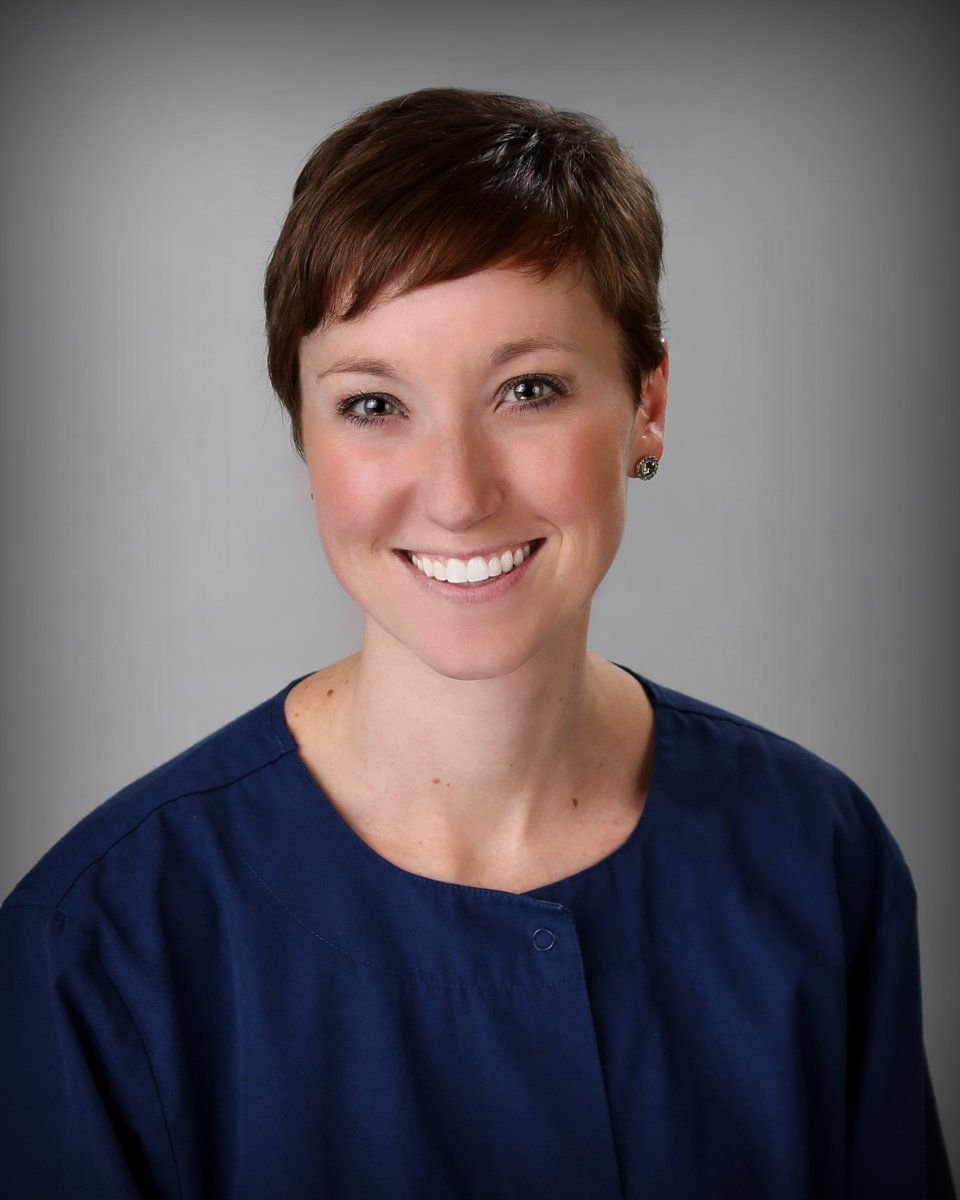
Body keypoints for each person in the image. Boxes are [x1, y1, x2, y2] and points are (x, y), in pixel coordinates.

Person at [0, 86, 954, 1200]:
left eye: (529, 390)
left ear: (648, 402)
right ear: (304, 435)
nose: (457, 495)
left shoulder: (817, 856)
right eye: (372, 405)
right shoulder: (96, 946)